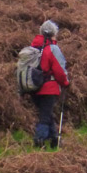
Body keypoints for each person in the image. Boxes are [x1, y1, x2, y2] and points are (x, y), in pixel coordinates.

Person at [31, 20, 69, 148]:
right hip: (48, 88)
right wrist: (65, 82)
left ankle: (55, 140)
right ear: (54, 33)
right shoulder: (53, 48)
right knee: (45, 117)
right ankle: (39, 140)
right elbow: (59, 70)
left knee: (47, 113)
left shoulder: (34, 47)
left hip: (33, 86)